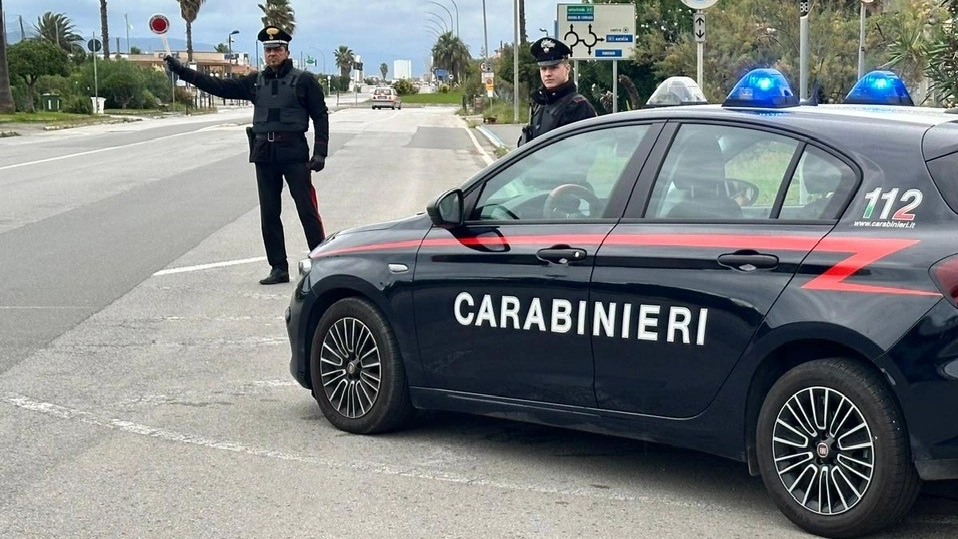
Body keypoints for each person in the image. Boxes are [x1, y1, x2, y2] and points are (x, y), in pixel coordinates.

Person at [164, 26, 328, 285]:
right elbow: (217, 85)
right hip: (264, 153)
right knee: (269, 213)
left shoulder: (304, 80)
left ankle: (322, 262)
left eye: (277, 49)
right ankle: (278, 267)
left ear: (287, 51)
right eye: (268, 50)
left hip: (294, 152)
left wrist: (320, 152)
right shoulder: (254, 81)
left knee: (306, 209)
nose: (272, 54)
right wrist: (182, 70)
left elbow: (320, 114)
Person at [518, 37, 597, 147]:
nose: (547, 74)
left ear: (567, 69)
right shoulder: (540, 103)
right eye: (543, 69)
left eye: (554, 68)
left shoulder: (579, 107)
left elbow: (584, 153)